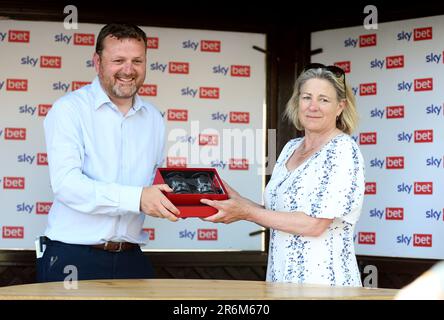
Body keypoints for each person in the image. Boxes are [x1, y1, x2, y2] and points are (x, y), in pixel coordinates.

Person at [37, 23, 180, 282]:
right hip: (73, 258)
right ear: (97, 62)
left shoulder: (154, 119)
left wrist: (192, 198)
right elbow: (67, 185)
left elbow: (154, 185)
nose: (128, 70)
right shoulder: (69, 110)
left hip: (132, 258)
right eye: (118, 60)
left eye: (137, 60)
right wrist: (137, 198)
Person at [201, 63, 365, 286]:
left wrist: (246, 212)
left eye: (323, 100)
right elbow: (278, 215)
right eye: (307, 97)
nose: (313, 106)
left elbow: (314, 225)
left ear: (340, 107)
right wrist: (236, 201)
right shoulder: (291, 148)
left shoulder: (343, 150)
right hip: (281, 283)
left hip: (325, 287)